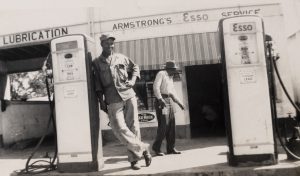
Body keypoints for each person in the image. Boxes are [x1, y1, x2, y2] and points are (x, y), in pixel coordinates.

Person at [92, 33, 152, 170]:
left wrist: (133, 80)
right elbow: (97, 83)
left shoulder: (121, 57)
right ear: (101, 44)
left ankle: (134, 160)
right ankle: (144, 149)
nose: (110, 45)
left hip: (128, 95)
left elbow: (135, 67)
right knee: (118, 127)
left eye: (112, 43)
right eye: (107, 43)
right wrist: (101, 101)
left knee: (133, 127)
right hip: (112, 97)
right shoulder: (96, 62)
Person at [152, 60, 185, 156]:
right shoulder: (161, 74)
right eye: (174, 69)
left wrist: (179, 103)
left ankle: (171, 148)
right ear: (170, 69)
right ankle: (156, 148)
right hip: (162, 101)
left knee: (171, 125)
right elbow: (156, 87)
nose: (175, 71)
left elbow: (172, 92)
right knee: (164, 125)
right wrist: (160, 99)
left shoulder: (170, 78)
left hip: (169, 101)